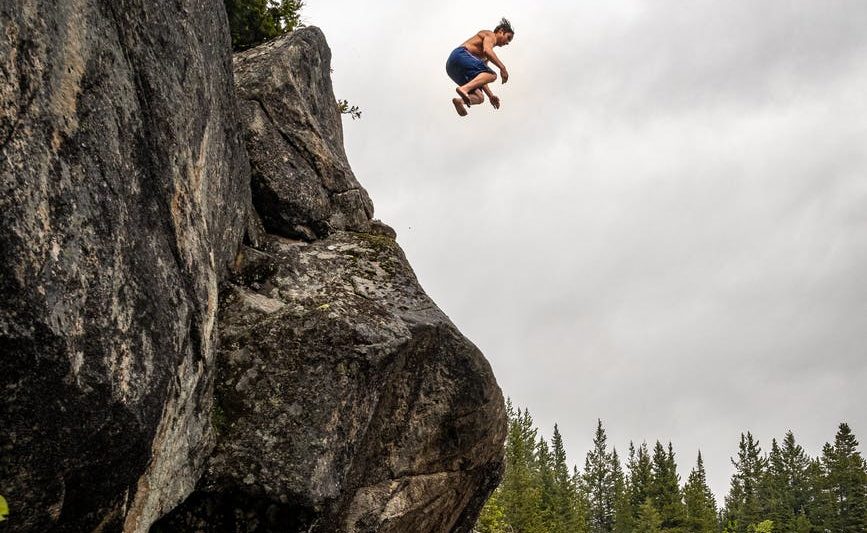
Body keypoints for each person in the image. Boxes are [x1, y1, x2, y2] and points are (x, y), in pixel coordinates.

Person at [446, 18, 514, 117]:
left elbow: (482, 77)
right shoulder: (490, 35)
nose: (507, 43)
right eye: (508, 38)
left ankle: (459, 101)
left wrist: (491, 96)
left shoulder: (484, 57)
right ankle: (464, 89)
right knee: (493, 75)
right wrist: (502, 68)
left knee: (480, 97)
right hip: (460, 54)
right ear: (501, 31)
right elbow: (487, 51)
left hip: (451, 67)